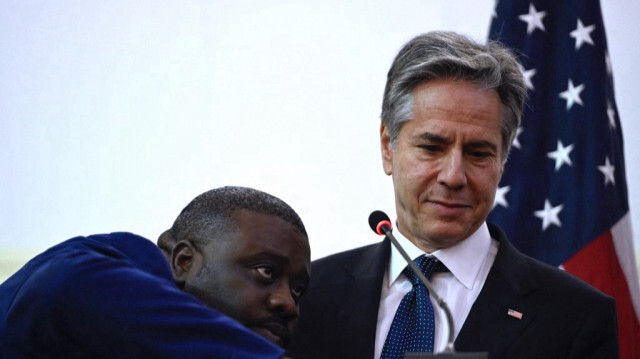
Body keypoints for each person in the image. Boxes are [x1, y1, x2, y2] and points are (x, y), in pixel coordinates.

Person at [287, 31, 618, 359]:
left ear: (503, 161)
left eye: (478, 154)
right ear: (388, 147)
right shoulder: (305, 295)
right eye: (431, 148)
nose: (453, 176)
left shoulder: (576, 317)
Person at [0, 186, 310, 358]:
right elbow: (68, 288)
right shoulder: (84, 275)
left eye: (297, 290)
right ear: (184, 261)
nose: (287, 303)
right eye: (265, 271)